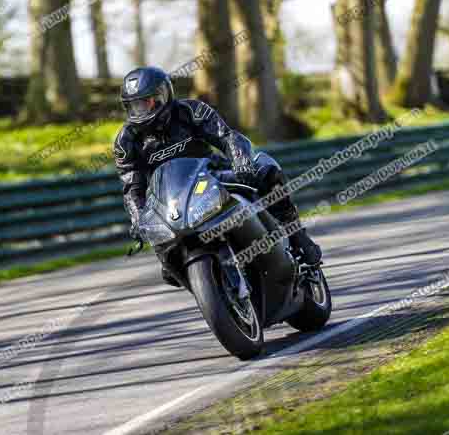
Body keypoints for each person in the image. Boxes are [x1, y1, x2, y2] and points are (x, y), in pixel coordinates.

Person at [113, 66, 322, 286]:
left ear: (163, 95)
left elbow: (227, 137)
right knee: (164, 257)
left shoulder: (192, 111)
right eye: (134, 105)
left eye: (145, 102)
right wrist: (138, 219)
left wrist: (241, 160)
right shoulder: (126, 141)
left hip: (212, 176)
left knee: (265, 169)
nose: (140, 110)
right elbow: (131, 186)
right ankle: (178, 267)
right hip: (169, 200)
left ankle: (298, 236)